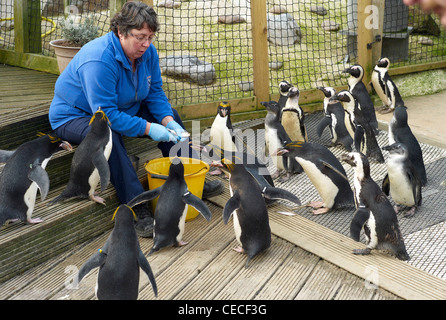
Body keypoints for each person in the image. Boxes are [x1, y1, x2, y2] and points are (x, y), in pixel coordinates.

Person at [48, 1, 223, 237]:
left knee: (172, 116)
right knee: (108, 136)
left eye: (150, 37)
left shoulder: (147, 52)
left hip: (122, 107)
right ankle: (137, 205)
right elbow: (106, 116)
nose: (146, 44)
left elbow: (155, 93)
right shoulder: (98, 59)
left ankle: (190, 179)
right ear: (121, 32)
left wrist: (167, 120)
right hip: (76, 116)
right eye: (140, 37)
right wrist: (149, 128)